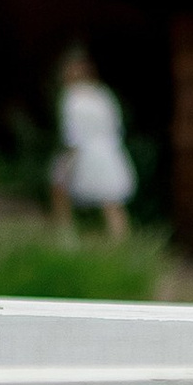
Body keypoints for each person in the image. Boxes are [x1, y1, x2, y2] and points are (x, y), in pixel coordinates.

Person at [49, 47, 135, 241]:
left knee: (60, 187)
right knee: (111, 199)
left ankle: (65, 236)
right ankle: (120, 240)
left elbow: (72, 132)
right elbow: (116, 125)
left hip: (83, 152)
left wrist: (70, 156)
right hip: (109, 151)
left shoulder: (72, 97)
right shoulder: (102, 95)